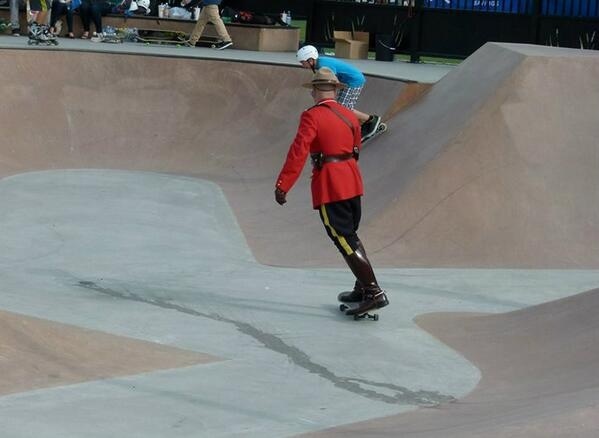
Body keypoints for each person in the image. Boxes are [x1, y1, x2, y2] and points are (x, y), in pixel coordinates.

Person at [274, 67, 389, 316]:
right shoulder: (349, 115)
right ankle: (361, 287)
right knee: (351, 236)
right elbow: (357, 146)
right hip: (352, 180)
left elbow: (298, 151)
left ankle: (373, 292)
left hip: (330, 184)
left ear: (314, 90)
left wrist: (283, 184)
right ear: (337, 90)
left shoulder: (311, 116)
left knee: (343, 239)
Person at [296, 45, 382, 142]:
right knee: (341, 107)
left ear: (310, 60)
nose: (302, 65)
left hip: (354, 81)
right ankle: (366, 122)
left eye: (303, 63)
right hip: (347, 81)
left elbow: (333, 82)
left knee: (341, 109)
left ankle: (371, 120)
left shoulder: (323, 66)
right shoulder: (319, 64)